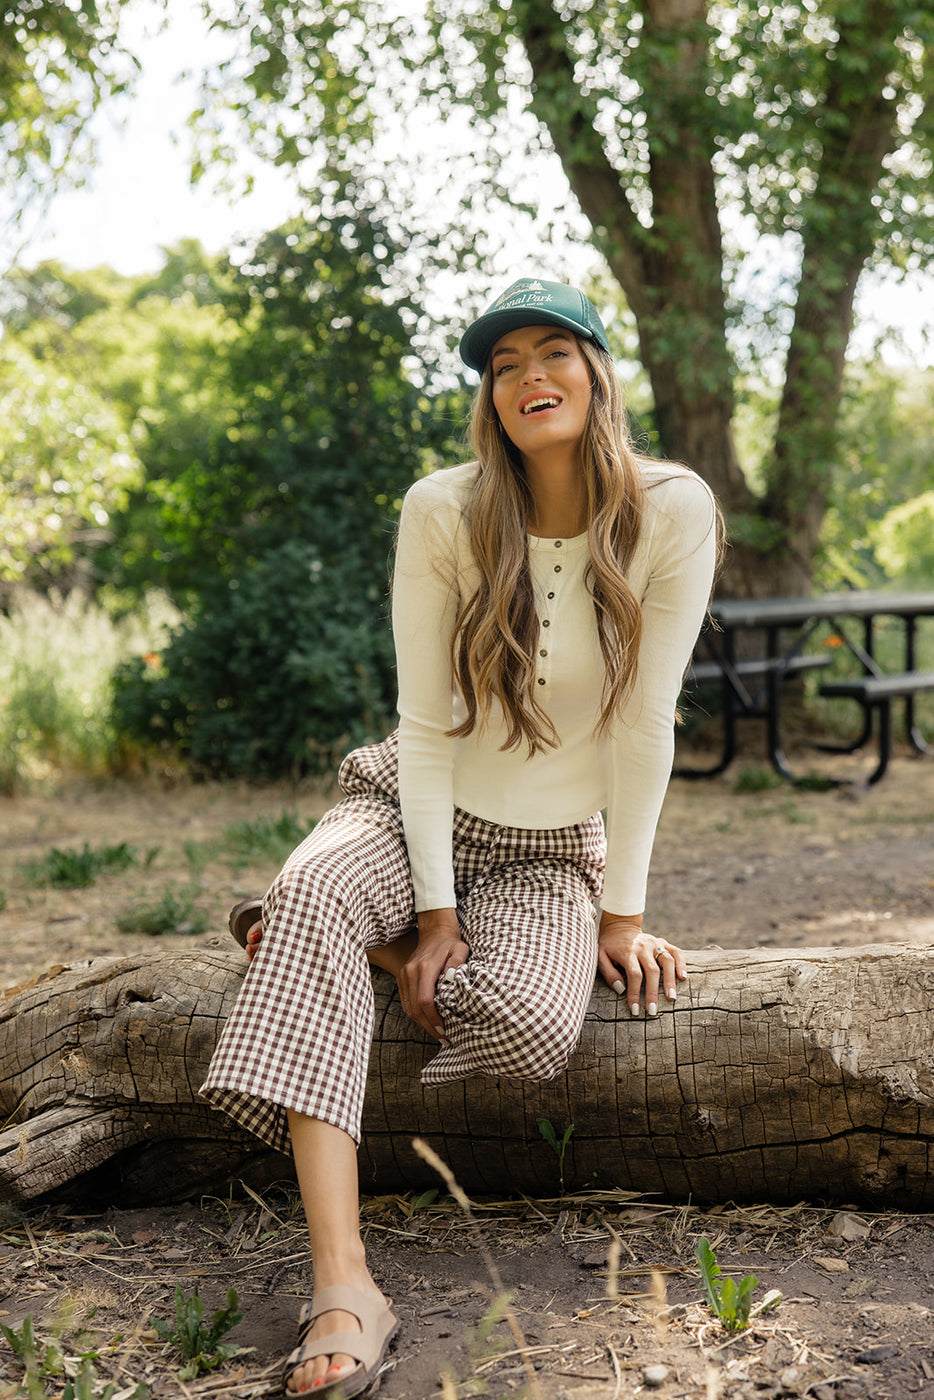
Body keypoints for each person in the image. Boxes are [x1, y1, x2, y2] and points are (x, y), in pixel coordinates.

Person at [200, 276, 719, 1396]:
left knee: (535, 1027)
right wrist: (435, 914)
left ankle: (320, 937)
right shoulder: (442, 509)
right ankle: (344, 1278)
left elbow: (645, 723)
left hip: (546, 850)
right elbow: (422, 727)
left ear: (595, 371)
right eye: (502, 363)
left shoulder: (672, 508)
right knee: (325, 883)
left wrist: (621, 912)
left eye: (553, 353)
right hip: (406, 804)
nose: (529, 375)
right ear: (490, 397)